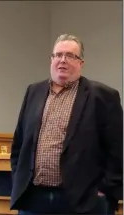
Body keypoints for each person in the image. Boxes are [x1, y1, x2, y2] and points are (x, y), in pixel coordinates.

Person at [10, 34, 123, 215]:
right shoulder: (33, 92)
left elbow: (117, 149)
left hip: (83, 201)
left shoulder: (102, 96)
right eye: (58, 55)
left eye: (70, 56)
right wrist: (19, 178)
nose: (63, 60)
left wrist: (104, 190)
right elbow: (19, 143)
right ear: (51, 59)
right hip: (34, 199)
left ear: (81, 63)